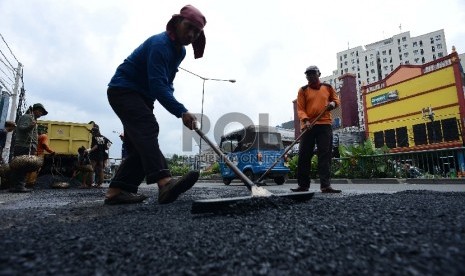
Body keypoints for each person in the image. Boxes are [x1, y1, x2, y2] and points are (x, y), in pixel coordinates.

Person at [104, 4, 205, 205]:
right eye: (189, 27)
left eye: (197, 31)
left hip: (143, 97)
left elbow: (167, 83)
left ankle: (116, 191)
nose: (192, 34)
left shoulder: (180, 52)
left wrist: (177, 106)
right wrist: (181, 111)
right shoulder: (160, 44)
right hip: (124, 90)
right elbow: (158, 85)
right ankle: (164, 182)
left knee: (140, 144)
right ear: (177, 23)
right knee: (148, 129)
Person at [291, 66, 342, 193]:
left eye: (313, 73)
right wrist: (306, 120)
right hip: (308, 126)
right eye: (308, 74)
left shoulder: (328, 87)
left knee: (324, 155)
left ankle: (325, 185)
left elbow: (336, 100)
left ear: (318, 74)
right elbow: (300, 109)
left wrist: (333, 104)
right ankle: (303, 185)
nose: (310, 76)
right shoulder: (303, 90)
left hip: (324, 125)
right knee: (304, 155)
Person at [9, 103, 48, 193]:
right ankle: (18, 186)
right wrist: (31, 126)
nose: (41, 114)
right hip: (24, 145)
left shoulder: (32, 119)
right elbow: (22, 128)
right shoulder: (27, 117)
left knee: (22, 167)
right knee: (21, 166)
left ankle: (17, 185)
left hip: (27, 146)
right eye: (40, 112)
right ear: (36, 110)